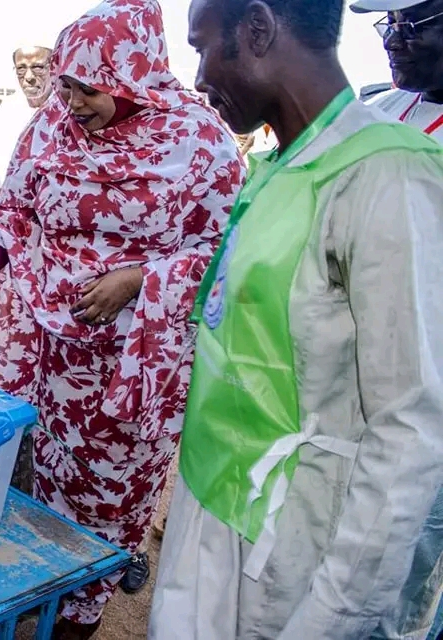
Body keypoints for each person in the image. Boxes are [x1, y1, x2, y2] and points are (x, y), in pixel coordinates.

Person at [0, 2, 243, 635]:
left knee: (104, 504)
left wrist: (140, 279)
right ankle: (20, 599)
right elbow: (12, 215)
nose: (74, 102)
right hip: (36, 349)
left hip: (128, 368)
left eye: (90, 89)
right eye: (65, 85)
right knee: (18, 486)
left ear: (133, 77)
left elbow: (227, 251)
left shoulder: (199, 141)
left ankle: (76, 622)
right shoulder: (51, 126)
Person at [147, 0, 443, 636]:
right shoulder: (279, 167)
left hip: (293, 547)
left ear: (257, 29)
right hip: (217, 503)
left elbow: (411, 428)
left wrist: (334, 614)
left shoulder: (384, 174)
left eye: (203, 47)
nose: (198, 76)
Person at [350, 1, 443, 637]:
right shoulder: (379, 112)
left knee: (404, 573)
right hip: (356, 389)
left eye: (412, 24)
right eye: (387, 24)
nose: (393, 41)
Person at [0, 45, 54, 182]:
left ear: (54, 68)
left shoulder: (65, 114)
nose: (29, 77)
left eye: (38, 67)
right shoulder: (4, 113)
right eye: (21, 69)